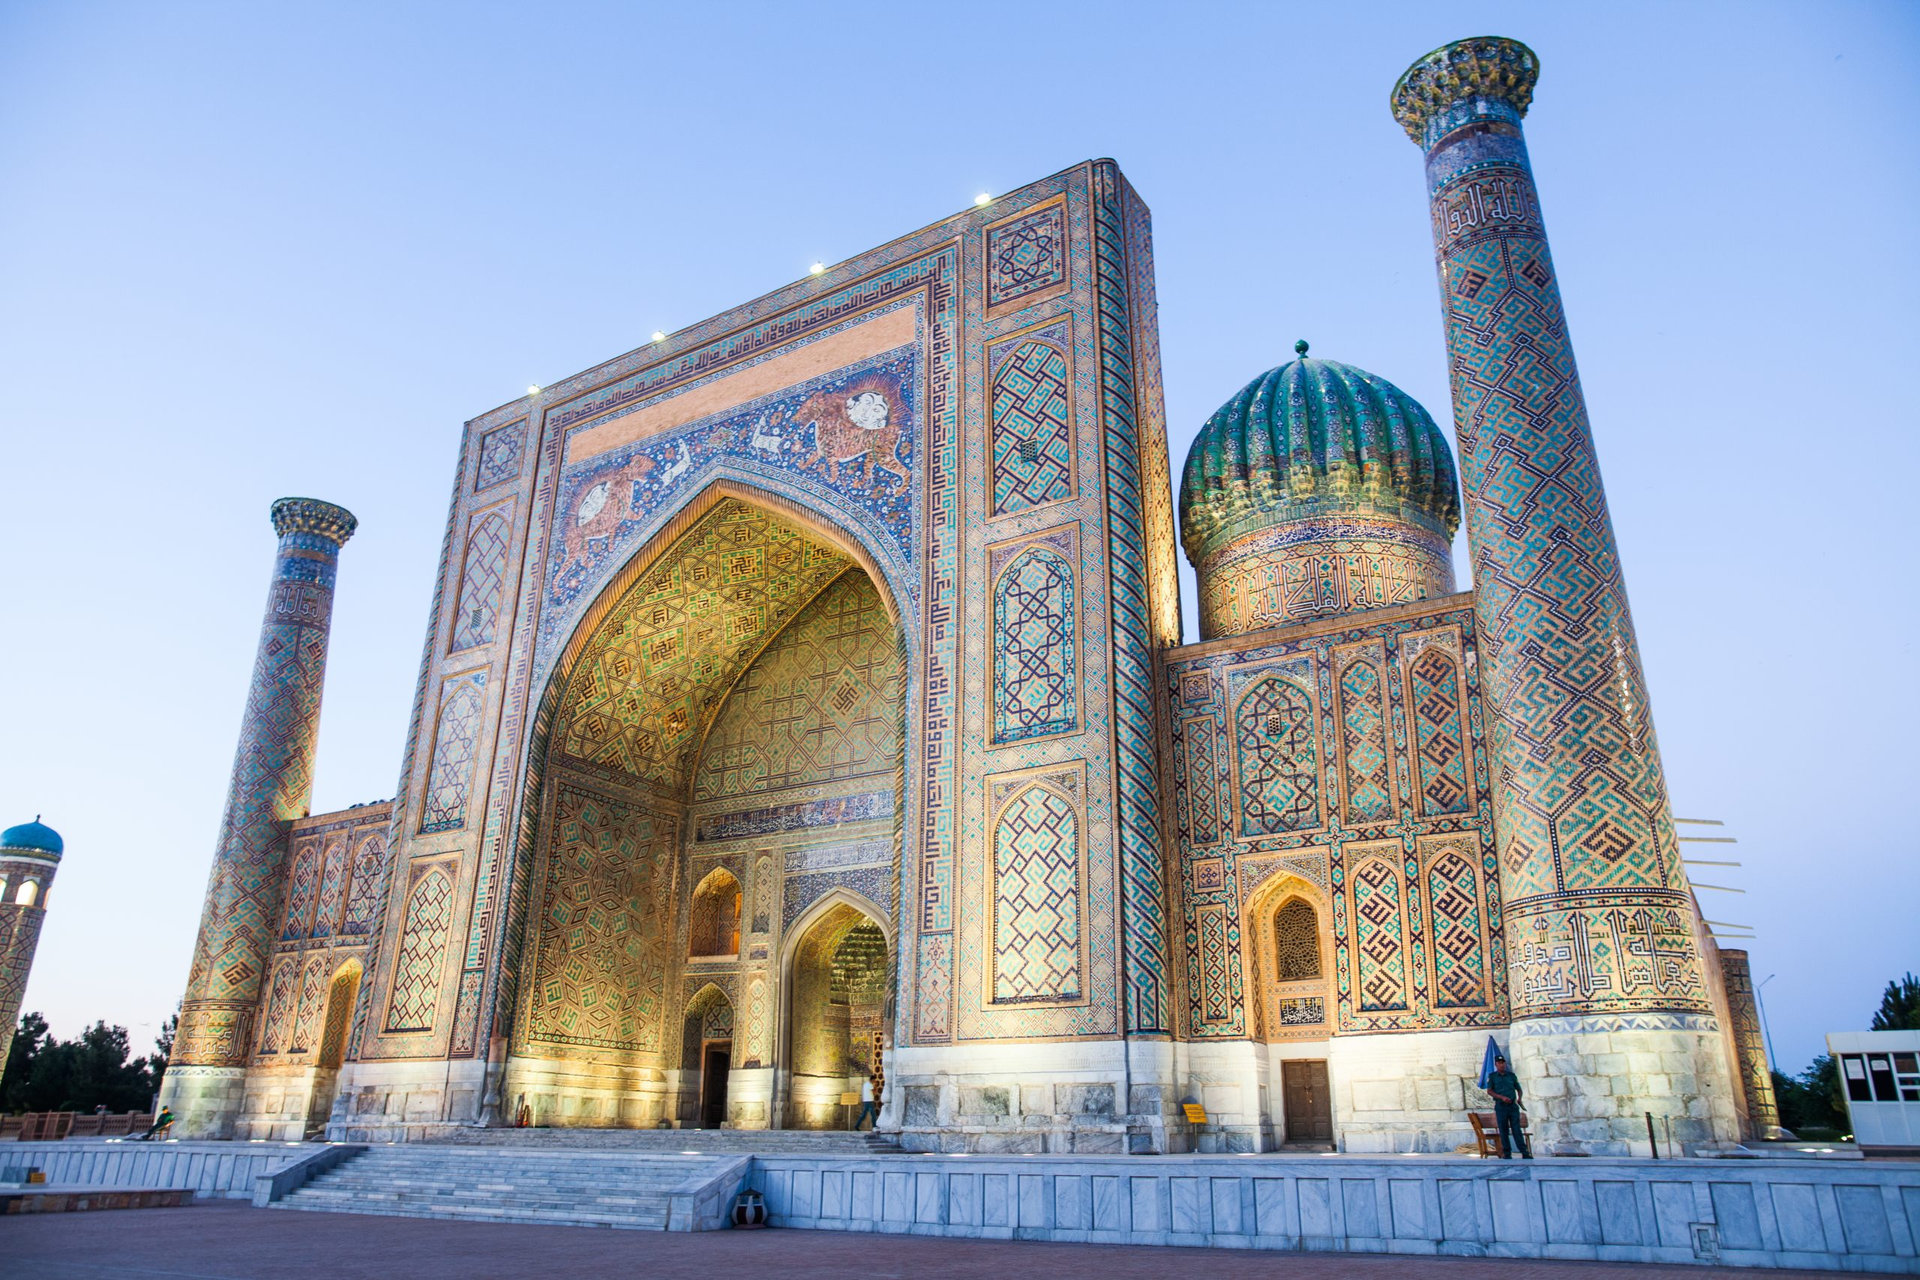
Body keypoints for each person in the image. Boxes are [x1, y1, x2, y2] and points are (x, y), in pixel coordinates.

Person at [1485, 1055, 1531, 1159]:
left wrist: (1519, 1098)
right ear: (1496, 1064)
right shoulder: (1492, 1077)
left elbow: (1518, 1088)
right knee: (1503, 1129)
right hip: (1501, 1106)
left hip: (1512, 1106)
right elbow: (1490, 1091)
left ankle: (1524, 1152)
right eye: (1499, 1063)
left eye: (1503, 1063)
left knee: (1516, 1129)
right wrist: (1501, 1097)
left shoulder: (1511, 1076)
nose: (1501, 1065)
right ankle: (1507, 1152)